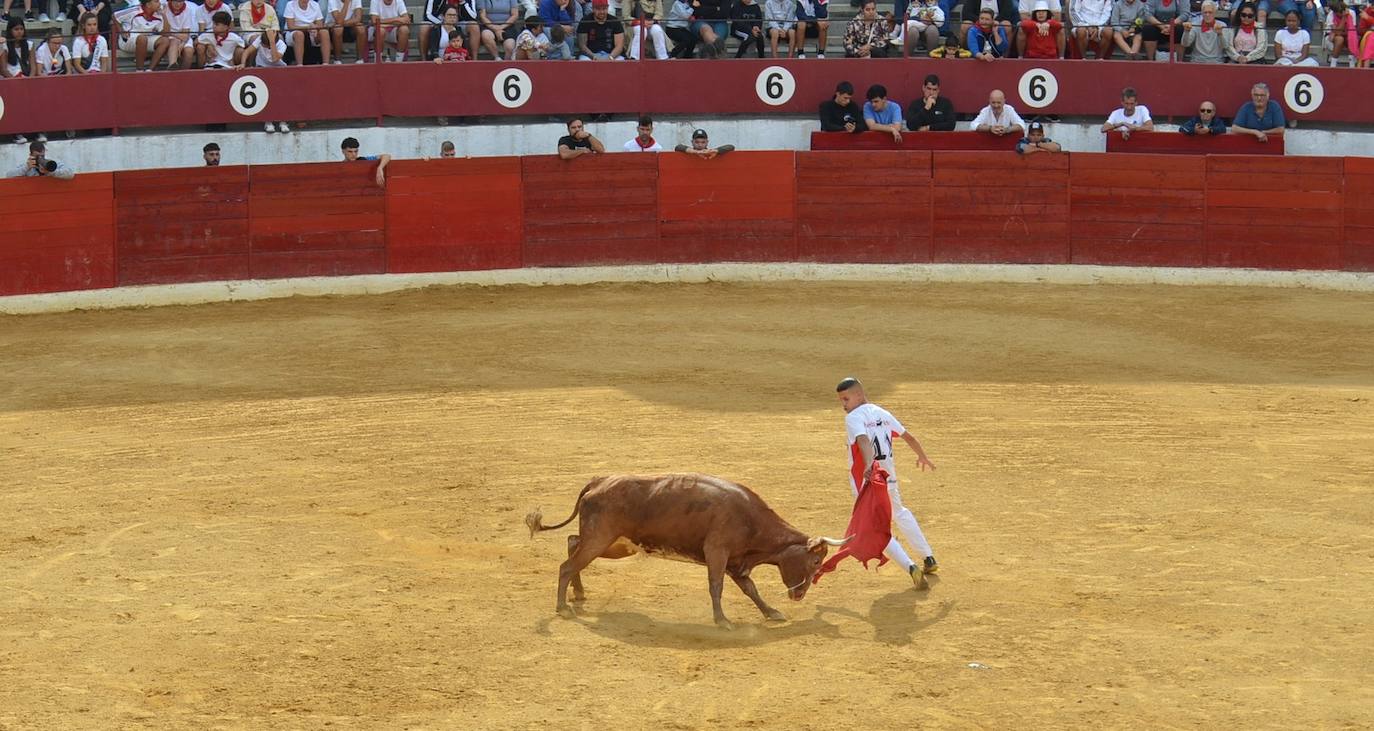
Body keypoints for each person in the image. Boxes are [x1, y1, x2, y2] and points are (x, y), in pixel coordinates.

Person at [834, 377, 938, 590]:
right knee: (900, 513)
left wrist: (870, 465)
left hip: (869, 482)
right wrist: (922, 456)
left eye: (846, 399)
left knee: (875, 527)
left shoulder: (853, 418)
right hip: (889, 478)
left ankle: (911, 568)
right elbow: (908, 437)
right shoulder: (883, 413)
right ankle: (928, 557)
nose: (844, 405)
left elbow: (863, 440)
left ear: (859, 395)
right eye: (841, 401)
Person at [120, 0, 170, 71]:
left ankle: (150, 70)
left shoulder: (158, 14)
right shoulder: (134, 10)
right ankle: (139, 70)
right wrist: (122, 31)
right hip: (127, 40)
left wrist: (164, 15)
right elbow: (114, 16)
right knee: (142, 38)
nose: (159, 4)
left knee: (165, 40)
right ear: (148, 5)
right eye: (156, 1)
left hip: (146, 39)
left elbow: (166, 34)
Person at [285, 0, 331, 65]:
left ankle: (326, 64)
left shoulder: (315, 5)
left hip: (312, 32)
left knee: (324, 32)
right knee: (299, 35)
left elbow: (320, 25)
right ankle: (299, 65)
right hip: (294, 33)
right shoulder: (290, 5)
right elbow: (291, 27)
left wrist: (314, 27)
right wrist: (307, 28)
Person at [7, 141, 75, 179]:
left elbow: (70, 174)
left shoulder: (50, 162)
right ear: (31, 155)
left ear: (44, 152)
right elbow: (9, 175)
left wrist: (51, 172)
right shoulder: (28, 165)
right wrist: (26, 168)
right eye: (37, 156)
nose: (40, 158)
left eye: (42, 155)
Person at [1325, 0, 1357, 67]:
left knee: (1352, 38)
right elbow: (1337, 32)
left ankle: (1352, 64)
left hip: (1346, 35)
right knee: (1340, 39)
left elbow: (1352, 31)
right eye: (1339, 13)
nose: (1342, 13)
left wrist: (1338, 32)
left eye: (1343, 11)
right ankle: (1333, 65)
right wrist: (1344, 18)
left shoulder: (1352, 13)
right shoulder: (1331, 15)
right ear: (1335, 12)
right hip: (1331, 38)